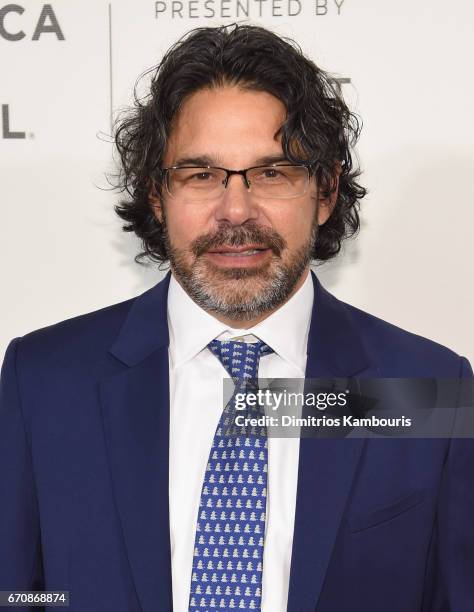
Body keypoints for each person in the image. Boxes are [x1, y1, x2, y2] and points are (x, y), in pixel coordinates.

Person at [0, 23, 472, 612]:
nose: (235, 210)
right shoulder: (43, 381)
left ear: (325, 192)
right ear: (156, 195)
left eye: (272, 173)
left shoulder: (424, 389)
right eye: (200, 176)